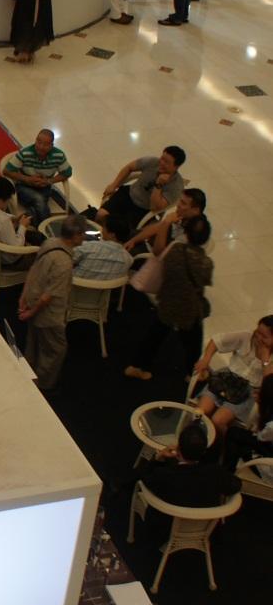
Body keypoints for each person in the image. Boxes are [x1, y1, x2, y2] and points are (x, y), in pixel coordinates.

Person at [124, 214, 214, 382]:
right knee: (193, 342)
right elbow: (205, 280)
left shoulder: (174, 249)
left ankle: (137, 367)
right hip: (189, 308)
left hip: (167, 301)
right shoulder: (205, 263)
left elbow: (162, 262)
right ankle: (193, 373)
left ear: (186, 233)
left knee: (155, 335)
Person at [18, 213, 87, 391]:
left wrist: (24, 298)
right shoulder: (64, 263)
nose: (84, 237)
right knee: (55, 349)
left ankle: (26, 376)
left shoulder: (49, 243)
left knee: (33, 343)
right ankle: (41, 384)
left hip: (31, 300)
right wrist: (31, 312)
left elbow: (33, 269)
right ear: (76, 235)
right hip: (49, 315)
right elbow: (48, 296)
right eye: (83, 233)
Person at [193, 317, 273, 435]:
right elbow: (216, 341)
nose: (258, 337)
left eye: (264, 336)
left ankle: (219, 443)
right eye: (258, 332)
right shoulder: (246, 337)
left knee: (218, 421)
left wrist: (265, 360)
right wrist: (206, 360)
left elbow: (269, 383)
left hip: (249, 390)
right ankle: (194, 438)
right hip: (226, 378)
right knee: (201, 411)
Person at [138, 416, 238, 508]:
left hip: (168, 519)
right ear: (204, 451)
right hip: (205, 520)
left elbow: (145, 476)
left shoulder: (164, 475)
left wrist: (158, 457)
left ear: (178, 449)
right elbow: (235, 485)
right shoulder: (216, 473)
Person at [99, 144, 187, 236]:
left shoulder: (176, 186)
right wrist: (114, 185)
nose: (161, 163)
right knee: (101, 215)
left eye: (166, 162)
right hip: (128, 194)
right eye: (162, 158)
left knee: (119, 231)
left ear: (176, 167)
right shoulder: (152, 162)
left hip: (143, 208)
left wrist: (159, 185)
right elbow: (129, 167)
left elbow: (154, 206)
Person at [6, 129, 73, 225]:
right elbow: (7, 170)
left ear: (52, 145)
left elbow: (67, 172)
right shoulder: (25, 153)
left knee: (38, 206)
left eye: (45, 144)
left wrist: (49, 181)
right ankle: (48, 228)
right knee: (39, 199)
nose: (41, 147)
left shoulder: (58, 155)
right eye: (39, 142)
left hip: (44, 188)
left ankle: (27, 220)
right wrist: (28, 179)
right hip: (23, 187)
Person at [125, 185, 207, 258]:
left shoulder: (193, 233)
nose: (178, 205)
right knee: (127, 234)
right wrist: (133, 240)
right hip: (149, 243)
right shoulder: (184, 216)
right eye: (180, 200)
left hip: (152, 258)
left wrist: (167, 222)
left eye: (183, 203)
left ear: (195, 210)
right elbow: (157, 227)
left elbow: (158, 253)